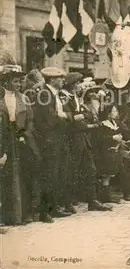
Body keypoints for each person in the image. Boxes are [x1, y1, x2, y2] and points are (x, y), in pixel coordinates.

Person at [62, 73, 111, 212]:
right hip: (73, 140)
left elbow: (88, 116)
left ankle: (92, 200)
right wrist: (82, 119)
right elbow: (73, 121)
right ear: (72, 85)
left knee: (91, 170)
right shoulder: (66, 99)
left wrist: (82, 117)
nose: (81, 87)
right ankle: (67, 202)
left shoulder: (77, 100)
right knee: (72, 172)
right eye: (78, 84)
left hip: (83, 139)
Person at [0, 61, 41, 225]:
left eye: (19, 81)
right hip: (3, 139)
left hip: (19, 140)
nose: (18, 84)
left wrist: (25, 134)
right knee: (6, 178)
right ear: (5, 81)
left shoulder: (23, 98)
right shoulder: (1, 98)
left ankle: (21, 215)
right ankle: (5, 216)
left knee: (20, 177)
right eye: (15, 81)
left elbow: (30, 120)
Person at [34, 67, 73, 223]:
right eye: (60, 78)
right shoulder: (45, 94)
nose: (63, 80)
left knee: (57, 174)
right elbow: (51, 119)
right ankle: (45, 212)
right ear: (52, 80)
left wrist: (62, 115)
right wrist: (67, 116)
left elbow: (57, 115)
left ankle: (54, 208)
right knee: (49, 175)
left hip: (58, 138)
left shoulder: (53, 94)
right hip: (49, 140)